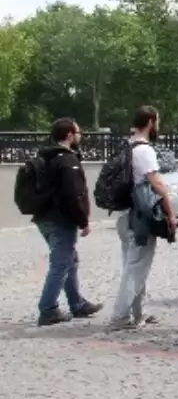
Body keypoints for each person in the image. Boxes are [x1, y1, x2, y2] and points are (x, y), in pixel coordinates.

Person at [108, 106, 177, 331]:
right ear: (150, 122)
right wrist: (170, 210)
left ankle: (138, 314)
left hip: (123, 214)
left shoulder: (126, 145)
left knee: (133, 265)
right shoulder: (144, 150)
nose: (159, 125)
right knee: (136, 267)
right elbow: (156, 183)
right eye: (158, 121)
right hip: (139, 217)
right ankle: (120, 316)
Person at [32, 118, 103, 326]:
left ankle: (77, 304)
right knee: (61, 264)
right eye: (78, 132)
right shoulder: (67, 160)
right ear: (70, 135)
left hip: (43, 218)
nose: (80, 136)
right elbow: (74, 194)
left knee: (69, 260)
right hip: (61, 220)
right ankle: (48, 309)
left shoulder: (46, 157)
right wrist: (83, 221)